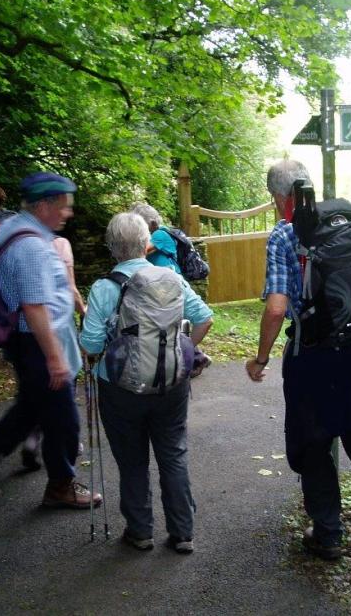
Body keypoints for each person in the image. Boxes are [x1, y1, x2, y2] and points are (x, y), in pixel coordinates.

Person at [245, 159, 351, 561]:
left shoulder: (284, 236)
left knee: (315, 445)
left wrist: (261, 358)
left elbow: (278, 307)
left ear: (279, 197)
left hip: (313, 355)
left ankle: (328, 536)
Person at [0, 172, 100, 510]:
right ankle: (60, 487)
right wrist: (55, 358)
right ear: (45, 205)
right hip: (37, 342)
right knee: (64, 420)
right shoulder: (32, 246)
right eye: (65, 207)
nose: (69, 213)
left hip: (29, 341)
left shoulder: (14, 229)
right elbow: (34, 308)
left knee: (30, 409)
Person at [79, 212, 213, 553]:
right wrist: (184, 351)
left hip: (120, 388)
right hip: (171, 383)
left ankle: (140, 532)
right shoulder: (170, 278)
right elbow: (204, 318)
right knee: (174, 454)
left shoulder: (103, 288)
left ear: (112, 248)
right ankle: (183, 533)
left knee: (132, 460)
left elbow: (92, 344)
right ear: (146, 243)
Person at [19, 233, 87, 471]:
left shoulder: (24, 246)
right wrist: (84, 310)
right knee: (66, 381)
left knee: (43, 384)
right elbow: (70, 288)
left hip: (30, 328)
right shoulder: (61, 244)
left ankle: (32, 437)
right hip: (59, 323)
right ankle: (68, 441)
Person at [130, 202, 212, 377]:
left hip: (170, 286)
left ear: (150, 223)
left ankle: (189, 357)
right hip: (160, 287)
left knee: (186, 323)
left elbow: (140, 252)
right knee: (171, 328)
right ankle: (195, 357)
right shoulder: (159, 234)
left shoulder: (160, 234)